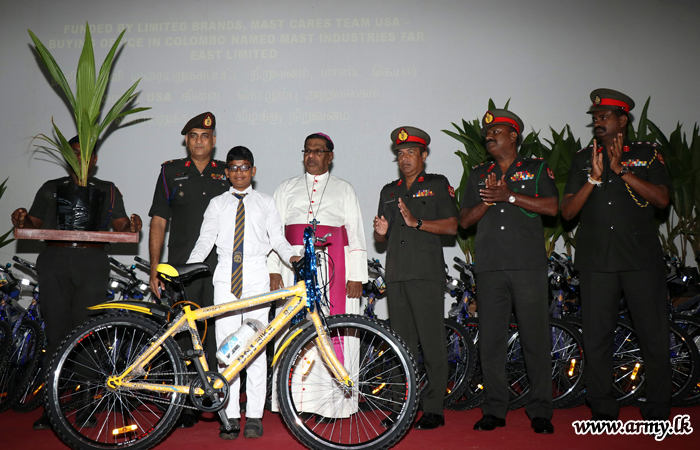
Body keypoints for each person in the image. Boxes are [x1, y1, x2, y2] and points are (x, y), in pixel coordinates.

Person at [11, 135, 141, 430]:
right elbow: (31, 222)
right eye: (73, 154)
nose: (78, 159)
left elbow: (121, 226)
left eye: (84, 155)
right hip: (55, 261)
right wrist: (20, 220)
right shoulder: (51, 188)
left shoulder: (107, 191)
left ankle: (85, 406)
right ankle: (52, 407)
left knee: (87, 335)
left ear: (94, 161)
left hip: (92, 263)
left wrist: (133, 227)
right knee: (56, 335)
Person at [561, 89, 671, 421]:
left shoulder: (647, 154)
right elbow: (567, 212)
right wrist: (593, 178)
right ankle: (602, 407)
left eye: (604, 116)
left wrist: (622, 170)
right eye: (594, 118)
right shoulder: (583, 159)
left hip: (641, 260)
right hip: (597, 262)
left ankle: (657, 408)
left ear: (622, 120)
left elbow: (663, 200)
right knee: (597, 338)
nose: (597, 122)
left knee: (653, 334)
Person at [187, 146, 299, 439]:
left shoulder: (265, 202)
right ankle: (231, 415)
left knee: (255, 347)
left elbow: (278, 237)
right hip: (225, 277)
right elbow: (205, 240)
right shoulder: (217, 204)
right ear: (226, 172)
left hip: (255, 276)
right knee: (226, 348)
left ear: (253, 171)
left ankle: (254, 416)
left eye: (244, 167)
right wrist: (187, 268)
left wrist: (293, 257)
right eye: (233, 168)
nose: (239, 172)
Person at [459, 110, 558, 434]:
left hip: (527, 266)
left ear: (514, 136)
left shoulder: (536, 168)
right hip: (489, 267)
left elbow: (553, 208)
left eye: (496, 131)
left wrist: (510, 196)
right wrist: (490, 201)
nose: (489, 136)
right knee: (491, 341)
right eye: (487, 133)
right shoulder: (477, 175)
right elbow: (464, 221)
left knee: (535, 339)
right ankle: (494, 409)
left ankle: (541, 410)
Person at [267, 132, 368, 417]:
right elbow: (273, 234)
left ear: (330, 157)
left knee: (331, 330)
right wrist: (274, 269)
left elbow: (356, 233)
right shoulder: (286, 188)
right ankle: (294, 402)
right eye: (308, 151)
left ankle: (333, 403)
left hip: (334, 268)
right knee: (293, 329)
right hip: (292, 268)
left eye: (319, 151)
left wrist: (357, 275)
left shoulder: (344, 188)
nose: (312, 155)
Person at [147, 112, 229, 427]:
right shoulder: (170, 172)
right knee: (183, 331)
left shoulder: (226, 173)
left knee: (217, 331)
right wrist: (155, 267)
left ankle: (214, 396)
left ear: (214, 141)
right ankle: (184, 402)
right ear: (186, 140)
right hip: (181, 267)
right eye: (193, 135)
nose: (199, 141)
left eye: (205, 136)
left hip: (219, 266)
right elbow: (158, 220)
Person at [373, 126, 457, 430]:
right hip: (396, 275)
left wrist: (417, 222)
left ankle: (434, 407)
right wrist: (380, 234)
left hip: (425, 275)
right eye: (400, 153)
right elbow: (382, 239)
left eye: (410, 152)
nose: (404, 158)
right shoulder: (389, 190)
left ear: (423, 155)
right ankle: (401, 407)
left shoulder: (436, 185)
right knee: (400, 345)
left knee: (432, 343)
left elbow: (452, 226)